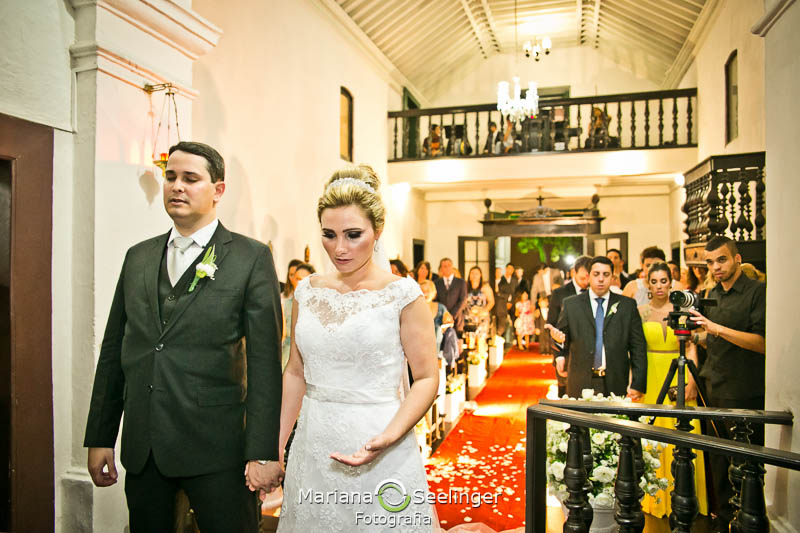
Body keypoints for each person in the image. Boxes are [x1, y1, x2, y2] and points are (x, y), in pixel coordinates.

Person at [83, 142, 284, 532]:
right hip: (146, 447)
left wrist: (262, 452)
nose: (177, 186)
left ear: (218, 190)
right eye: (171, 177)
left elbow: (263, 364)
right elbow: (114, 352)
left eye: (191, 179)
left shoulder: (249, 258)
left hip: (218, 448)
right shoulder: (138, 257)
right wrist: (100, 435)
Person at [277, 165, 438, 531]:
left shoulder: (403, 295)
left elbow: (427, 377)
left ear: (377, 231)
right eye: (329, 235)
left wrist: (389, 435)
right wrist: (279, 441)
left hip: (379, 436)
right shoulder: (308, 291)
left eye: (353, 235)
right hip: (313, 442)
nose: (340, 248)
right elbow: (296, 371)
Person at [689, 236, 766, 528]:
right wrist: (693, 336)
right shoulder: (711, 295)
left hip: (743, 388)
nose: (715, 267)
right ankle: (721, 519)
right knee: (717, 461)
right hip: (713, 385)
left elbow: (761, 342)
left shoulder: (756, 292)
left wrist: (717, 329)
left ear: (736, 259)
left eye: (721, 260)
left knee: (745, 464)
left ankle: (748, 521)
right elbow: (711, 340)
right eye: (710, 262)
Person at [638, 262, 708, 519]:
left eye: (663, 281)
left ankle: (688, 498)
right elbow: (635, 350)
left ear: (672, 282)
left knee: (682, 432)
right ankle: (657, 499)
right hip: (652, 376)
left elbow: (691, 347)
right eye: (654, 281)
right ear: (648, 284)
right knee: (654, 435)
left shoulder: (684, 310)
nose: (659, 286)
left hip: (678, 373)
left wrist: (690, 380)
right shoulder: (640, 312)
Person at [549, 256, 647, 399]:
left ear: (612, 277)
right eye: (596, 274)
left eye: (605, 274)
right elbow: (562, 339)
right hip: (580, 380)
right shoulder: (571, 305)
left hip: (615, 381)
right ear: (589, 276)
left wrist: (638, 383)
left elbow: (638, 347)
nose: (601, 279)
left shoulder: (627, 305)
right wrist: (558, 341)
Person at [547, 255, 592, 397]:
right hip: (566, 354)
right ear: (574, 273)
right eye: (582, 278)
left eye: (588, 278)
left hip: (590, 356)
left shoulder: (596, 293)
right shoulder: (560, 293)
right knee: (566, 396)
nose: (586, 282)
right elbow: (552, 326)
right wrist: (558, 355)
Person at [282, 262, 315, 369]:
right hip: (288, 354)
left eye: (304, 280)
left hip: (310, 357)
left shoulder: (318, 307)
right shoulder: (286, 303)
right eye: (297, 279)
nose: (300, 283)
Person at [434, 257, 468, 335]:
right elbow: (435, 300)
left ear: (452, 267)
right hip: (441, 318)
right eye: (444, 266)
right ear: (441, 268)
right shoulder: (436, 283)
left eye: (449, 265)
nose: (447, 268)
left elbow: (463, 299)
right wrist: (444, 314)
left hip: (457, 318)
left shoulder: (461, 282)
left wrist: (451, 315)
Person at [421, 279, 453, 353]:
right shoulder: (413, 309)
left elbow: (450, 323)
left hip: (437, 351)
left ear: (433, 293)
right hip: (418, 352)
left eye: (428, 290)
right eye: (422, 290)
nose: (425, 293)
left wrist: (445, 324)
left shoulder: (441, 308)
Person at [465, 266, 495, 339]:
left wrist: (483, 311)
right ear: (469, 275)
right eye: (472, 273)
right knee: (470, 339)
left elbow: (491, 302)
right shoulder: (465, 286)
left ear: (480, 275)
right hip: (469, 316)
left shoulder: (485, 287)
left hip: (482, 316)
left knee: (481, 339)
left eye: (476, 273)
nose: (474, 275)